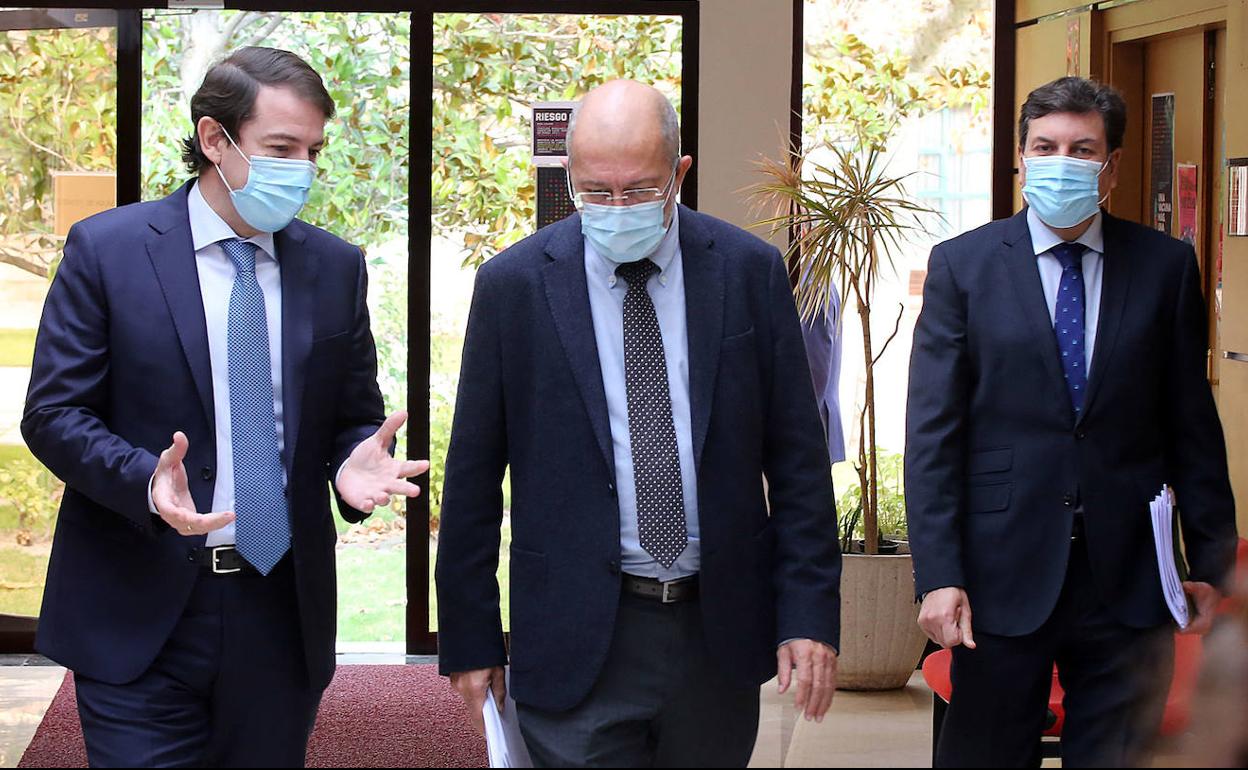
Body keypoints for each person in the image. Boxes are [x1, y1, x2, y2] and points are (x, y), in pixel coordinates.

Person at [22, 46, 428, 767]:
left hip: (279, 610)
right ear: (216, 139)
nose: (300, 168)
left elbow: (351, 416)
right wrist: (145, 478)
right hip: (137, 605)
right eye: (281, 148)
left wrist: (351, 462)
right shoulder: (108, 251)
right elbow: (53, 414)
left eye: (312, 150)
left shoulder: (334, 268)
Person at [435, 79, 842, 767]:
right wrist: (471, 638)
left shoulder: (748, 272)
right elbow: (473, 475)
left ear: (679, 174)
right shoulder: (515, 286)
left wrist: (807, 614)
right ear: (570, 178)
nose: (616, 208)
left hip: (714, 637)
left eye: (638, 190)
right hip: (575, 632)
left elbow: (798, 463)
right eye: (596, 191)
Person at [905, 76, 1238, 768]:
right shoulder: (963, 267)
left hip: (1128, 579)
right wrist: (938, 574)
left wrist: (1212, 566)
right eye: (1046, 146)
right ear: (1022, 159)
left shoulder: (1165, 267)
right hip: (999, 575)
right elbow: (933, 435)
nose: (1062, 161)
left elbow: (1192, 431)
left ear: (1112, 167)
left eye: (1082, 149)